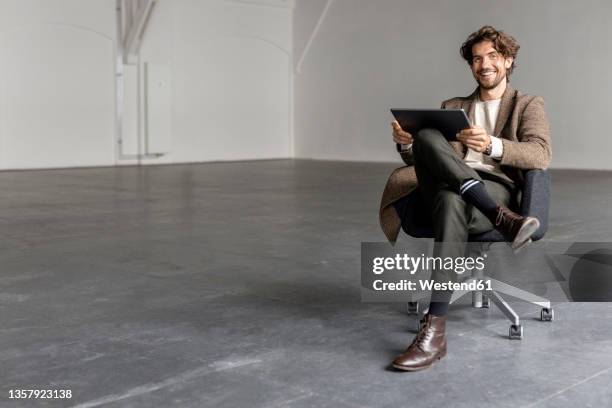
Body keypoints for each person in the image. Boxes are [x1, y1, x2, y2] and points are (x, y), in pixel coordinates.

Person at [378, 25, 552, 371]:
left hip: (495, 186)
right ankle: (501, 216)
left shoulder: (528, 104)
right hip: (466, 195)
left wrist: (491, 145)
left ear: (508, 60)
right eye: (476, 59)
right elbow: (420, 162)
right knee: (426, 135)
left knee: (451, 199)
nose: (484, 64)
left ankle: (435, 328)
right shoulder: (453, 106)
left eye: (492, 56)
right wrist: (408, 142)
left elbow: (540, 154)